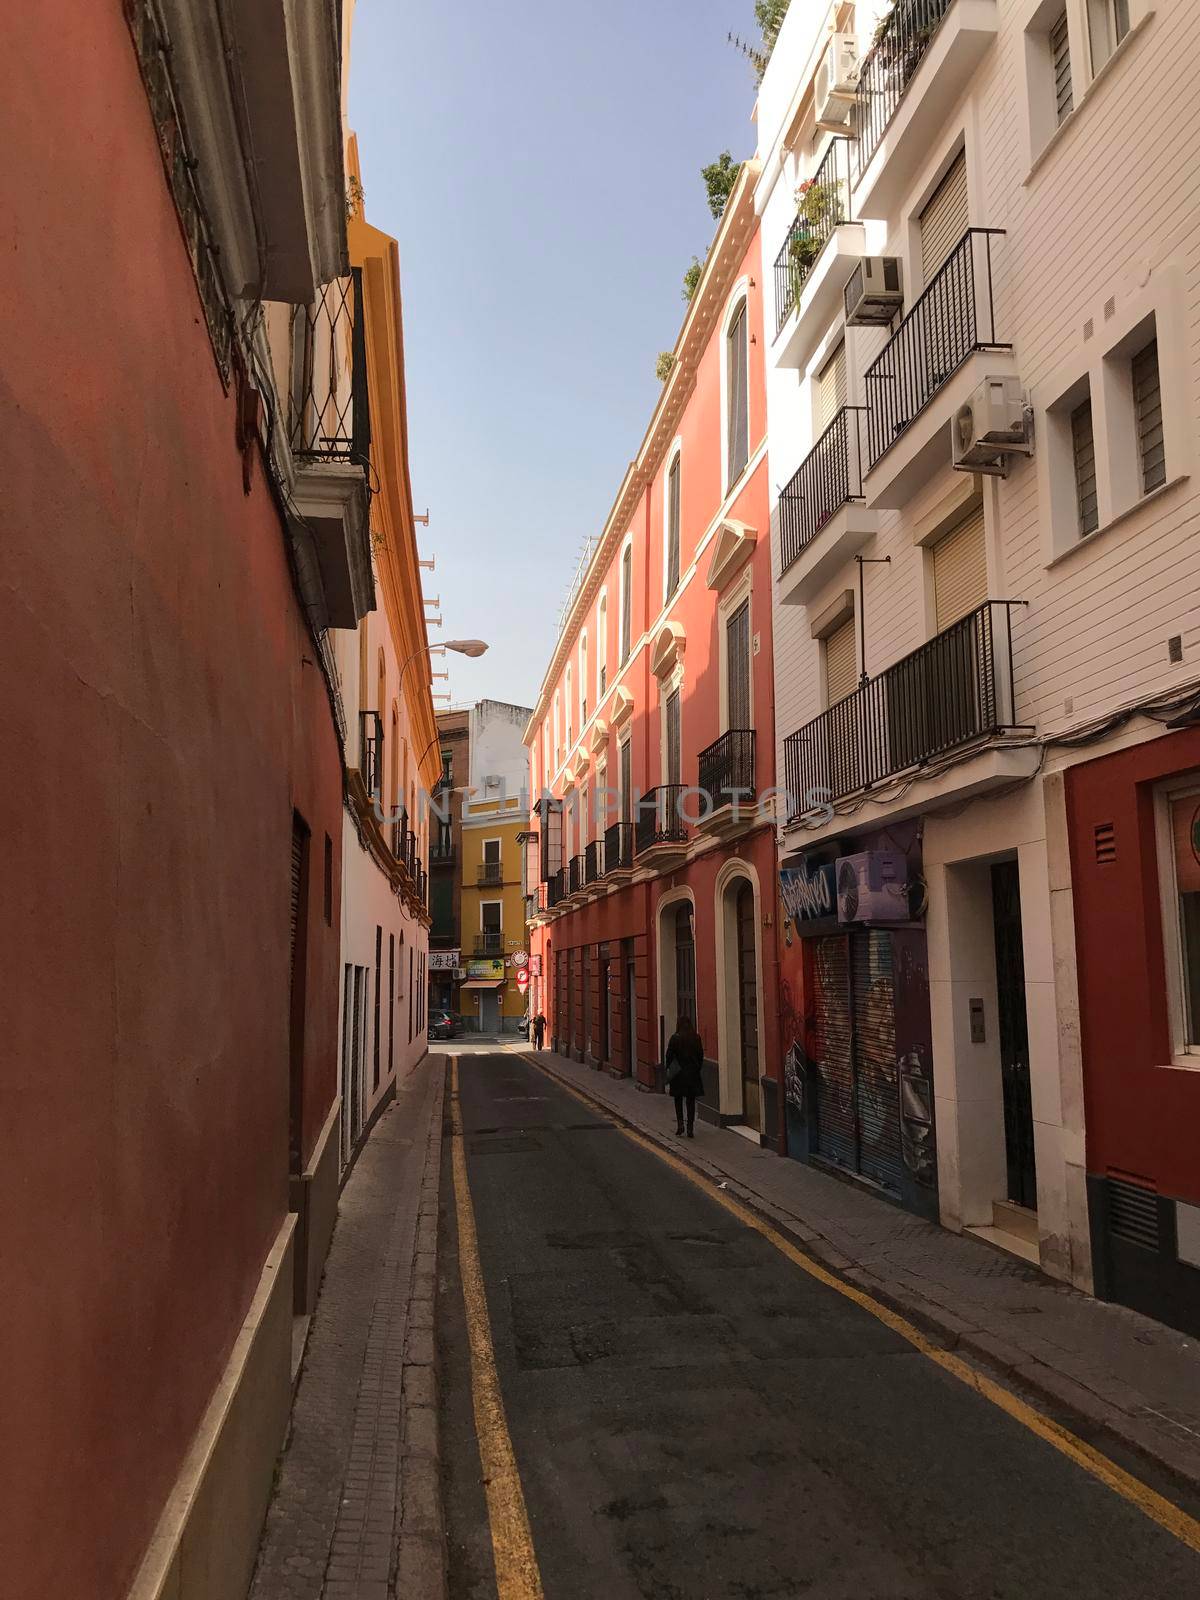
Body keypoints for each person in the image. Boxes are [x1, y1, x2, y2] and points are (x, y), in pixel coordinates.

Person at [664, 1014, 704, 1138]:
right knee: (690, 1101)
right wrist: (697, 1068)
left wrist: (669, 1069)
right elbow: (700, 1055)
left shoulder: (675, 1038)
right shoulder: (696, 1038)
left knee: (678, 1099)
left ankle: (680, 1124)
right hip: (692, 1073)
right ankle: (690, 1127)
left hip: (678, 1074)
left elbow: (669, 1056)